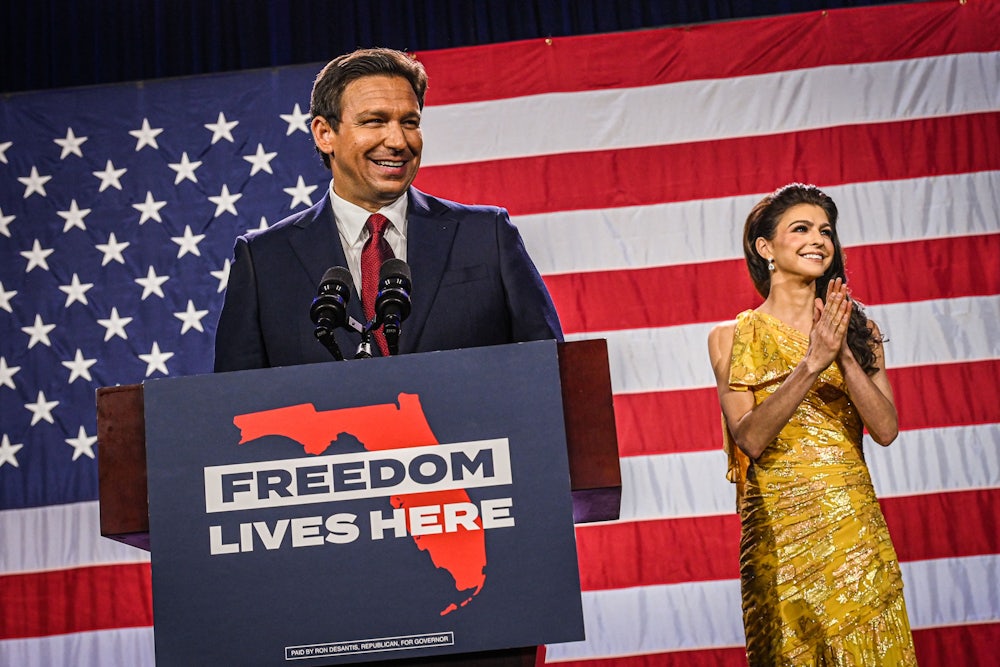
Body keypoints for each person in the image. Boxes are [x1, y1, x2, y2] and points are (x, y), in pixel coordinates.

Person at [214, 47, 561, 372]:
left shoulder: (487, 235)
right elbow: (234, 406)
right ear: (324, 133)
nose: (398, 141)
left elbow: (551, 370)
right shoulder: (264, 260)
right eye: (375, 121)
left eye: (410, 122)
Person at [707, 184, 917, 665]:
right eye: (800, 229)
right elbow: (752, 438)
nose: (818, 239)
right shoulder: (731, 337)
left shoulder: (859, 331)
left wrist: (841, 355)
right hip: (779, 534)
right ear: (766, 249)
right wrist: (810, 363)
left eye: (826, 231)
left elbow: (885, 430)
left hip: (853, 527)